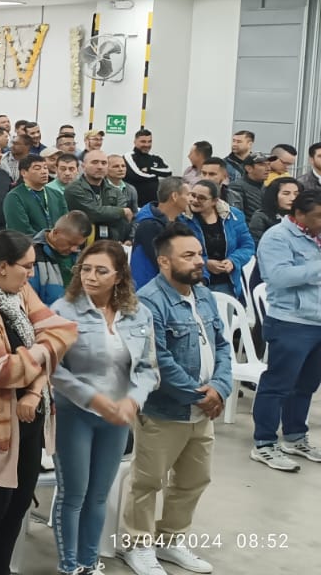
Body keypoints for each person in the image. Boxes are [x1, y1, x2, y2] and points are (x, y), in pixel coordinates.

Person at [0, 230, 78, 575]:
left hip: (29, 413)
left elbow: (62, 331)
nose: (31, 275)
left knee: (18, 504)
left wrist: (35, 385)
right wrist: (39, 353)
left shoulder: (17, 289)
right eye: (27, 267)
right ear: (3, 266)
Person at [123, 223, 230, 575]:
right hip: (166, 410)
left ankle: (171, 540)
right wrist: (199, 395)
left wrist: (220, 388)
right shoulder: (149, 302)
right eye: (189, 256)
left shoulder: (204, 295)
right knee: (148, 481)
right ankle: (137, 544)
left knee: (193, 480)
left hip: (203, 408)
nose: (200, 261)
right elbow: (157, 359)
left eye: (199, 253)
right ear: (165, 262)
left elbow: (223, 346)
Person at [48, 240, 159, 575]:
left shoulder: (138, 313)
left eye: (101, 271)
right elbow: (53, 369)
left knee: (99, 495)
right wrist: (93, 399)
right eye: (85, 269)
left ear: (119, 276)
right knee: (74, 495)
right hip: (75, 415)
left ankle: (89, 561)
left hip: (118, 417)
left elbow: (148, 368)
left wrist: (132, 401)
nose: (91, 277)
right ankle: (69, 567)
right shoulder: (62, 312)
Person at [249, 189, 321, 471]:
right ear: (299, 214)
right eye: (318, 216)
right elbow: (277, 277)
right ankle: (264, 443)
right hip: (291, 321)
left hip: (318, 321)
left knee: (306, 386)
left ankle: (295, 436)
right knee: (278, 384)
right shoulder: (277, 237)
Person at [187, 181, 255, 299]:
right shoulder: (182, 218)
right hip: (194, 281)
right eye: (192, 195)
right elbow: (179, 251)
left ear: (214, 201)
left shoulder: (234, 216)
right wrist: (205, 263)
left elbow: (247, 246)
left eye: (202, 198)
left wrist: (233, 261)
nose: (195, 200)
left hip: (227, 283)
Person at [130, 177, 196, 288]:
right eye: (188, 195)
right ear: (174, 196)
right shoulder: (148, 225)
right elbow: (163, 262)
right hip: (148, 292)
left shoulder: (181, 224)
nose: (192, 200)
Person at [66, 150, 133, 242]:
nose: (100, 167)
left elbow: (121, 220)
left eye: (104, 163)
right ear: (83, 166)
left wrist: (129, 239)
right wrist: (121, 211)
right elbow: (93, 213)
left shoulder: (115, 191)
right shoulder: (73, 189)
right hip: (81, 244)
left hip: (111, 243)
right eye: (94, 162)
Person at [28, 211, 91, 305]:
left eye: (78, 245)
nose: (74, 249)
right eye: (70, 243)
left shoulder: (80, 257)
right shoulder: (31, 255)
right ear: (56, 232)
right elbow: (28, 302)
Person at [3, 154, 69, 238]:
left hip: (58, 244)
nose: (44, 171)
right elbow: (21, 230)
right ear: (23, 172)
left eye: (45, 168)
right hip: (31, 246)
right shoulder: (14, 197)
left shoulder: (56, 194)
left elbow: (66, 222)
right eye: (37, 168)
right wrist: (49, 240)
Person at [124, 129, 174, 206]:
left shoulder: (155, 158)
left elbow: (168, 172)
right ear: (135, 142)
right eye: (143, 141)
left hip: (154, 205)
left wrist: (149, 170)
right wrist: (156, 174)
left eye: (149, 141)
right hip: (134, 204)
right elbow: (137, 175)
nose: (147, 145)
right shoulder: (129, 156)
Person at [249, 176, 299, 243]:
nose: (293, 198)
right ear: (274, 195)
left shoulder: (303, 216)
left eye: (296, 194)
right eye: (286, 194)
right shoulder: (261, 217)